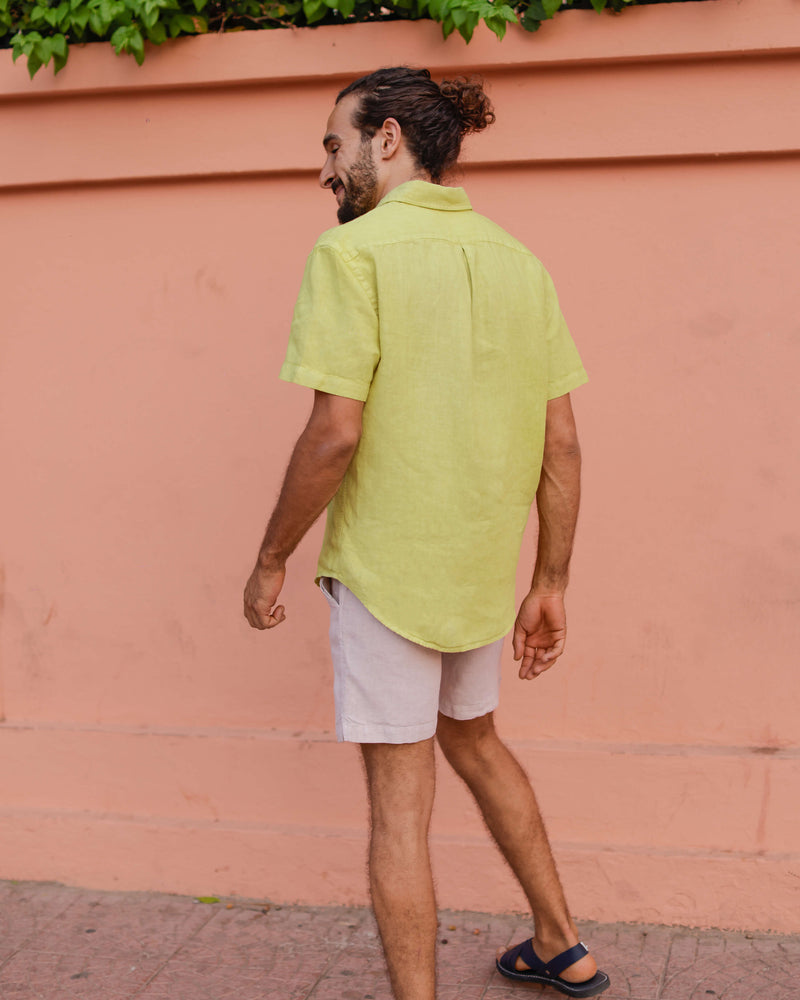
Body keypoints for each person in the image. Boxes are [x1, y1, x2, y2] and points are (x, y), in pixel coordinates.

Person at [243, 67, 609, 1000]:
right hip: (478, 571)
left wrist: (272, 557)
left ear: (389, 138)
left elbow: (334, 433)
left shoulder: (352, 254)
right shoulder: (520, 262)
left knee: (399, 810)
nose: (326, 168)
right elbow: (562, 442)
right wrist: (550, 582)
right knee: (475, 742)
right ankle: (562, 943)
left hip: (388, 571)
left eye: (335, 144)